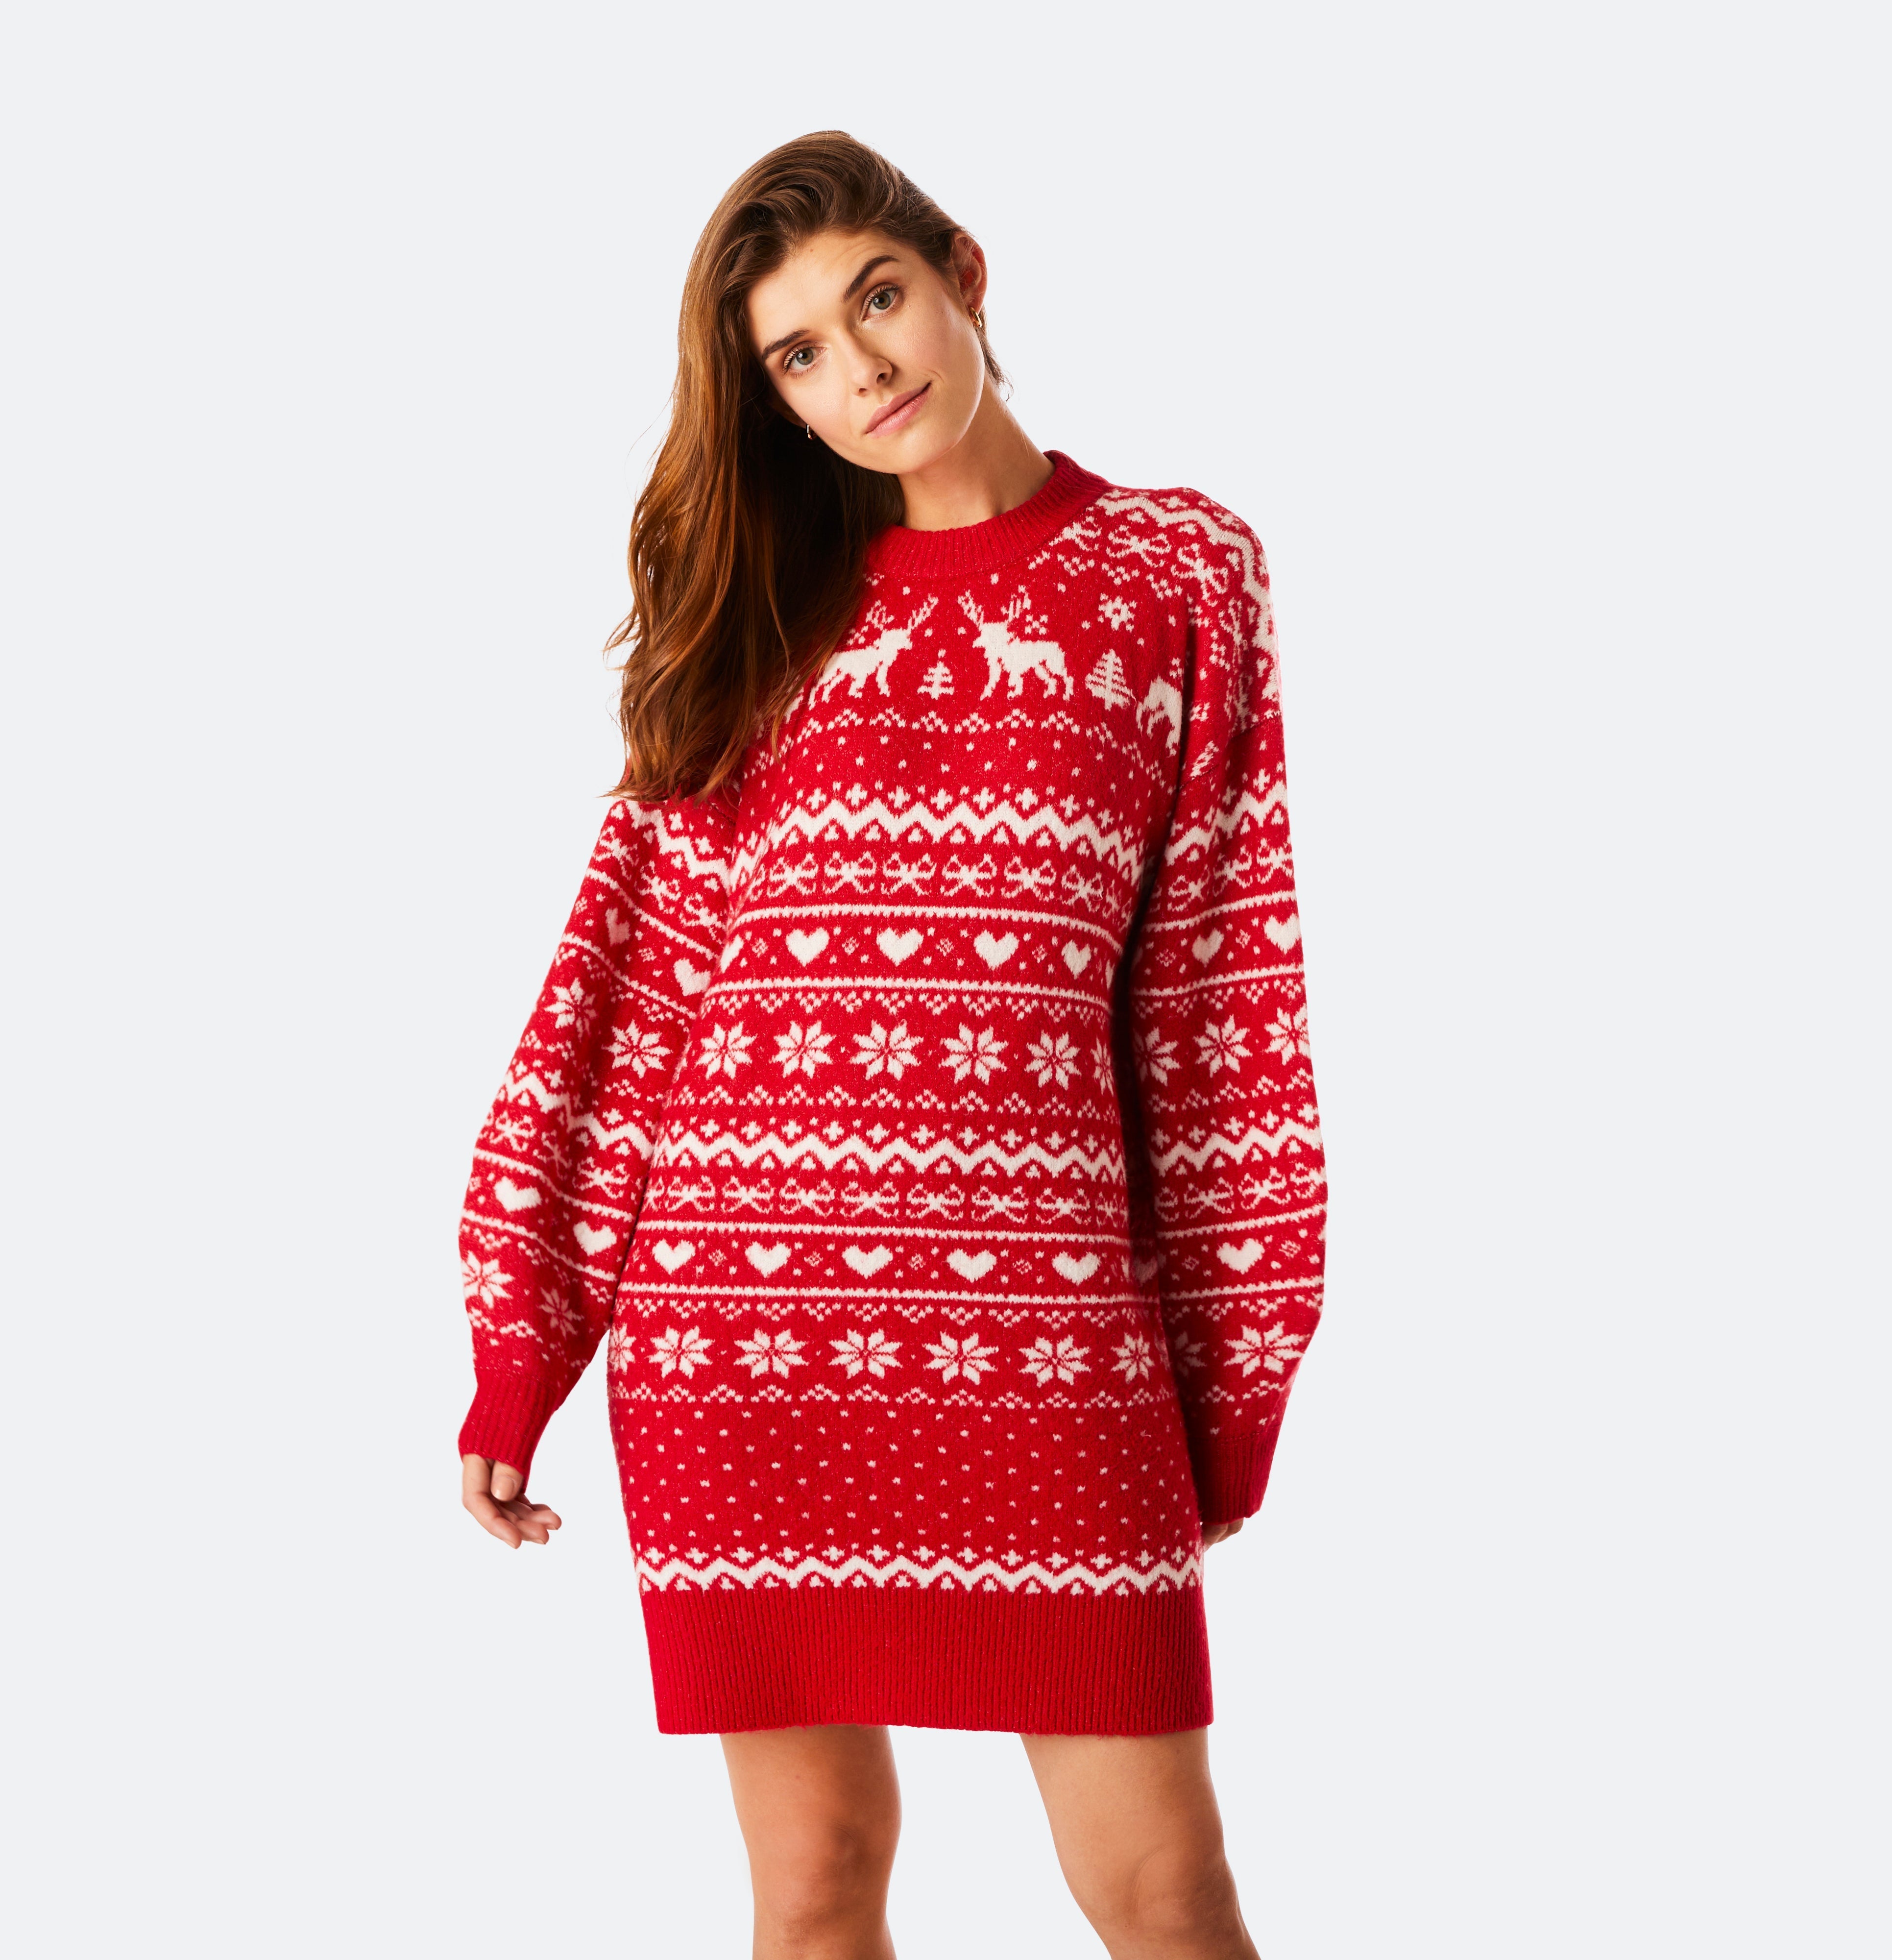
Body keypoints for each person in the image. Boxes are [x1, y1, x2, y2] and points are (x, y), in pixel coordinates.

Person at [454, 130, 1328, 1960]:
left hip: (1051, 1349)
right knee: (817, 1878)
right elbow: (629, 992)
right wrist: (525, 1345)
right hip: (745, 1347)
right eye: (798, 353)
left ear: (961, 275)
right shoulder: (762, 617)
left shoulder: (1177, 572)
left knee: (1167, 1891)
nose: (860, 368)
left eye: (877, 299)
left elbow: (1213, 1004)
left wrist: (1226, 1383)